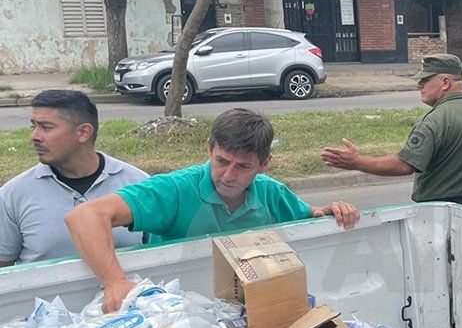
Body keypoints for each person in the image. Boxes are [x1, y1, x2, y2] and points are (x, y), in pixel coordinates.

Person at [65, 108, 360, 312]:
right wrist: (115, 282)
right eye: (222, 161)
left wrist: (332, 211)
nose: (229, 176)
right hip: (179, 312)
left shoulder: (270, 192)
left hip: (248, 310)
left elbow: (308, 219)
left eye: (243, 167)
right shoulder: (175, 189)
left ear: (264, 164)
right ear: (209, 149)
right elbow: (85, 216)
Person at [321, 54, 462, 209]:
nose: (419, 85)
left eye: (425, 80)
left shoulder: (434, 120)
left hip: (438, 214)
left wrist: (356, 162)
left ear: (445, 82)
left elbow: (404, 165)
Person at [0, 90, 147, 266]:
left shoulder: (139, 185)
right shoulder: (12, 195)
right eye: (34, 126)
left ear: (84, 132)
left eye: (46, 127)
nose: (35, 136)